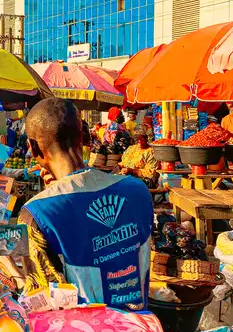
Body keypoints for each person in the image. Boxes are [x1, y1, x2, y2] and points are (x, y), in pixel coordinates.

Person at [18, 98, 154, 311]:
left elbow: (41, 302)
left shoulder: (35, 214)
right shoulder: (137, 191)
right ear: (83, 136)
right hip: (137, 330)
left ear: (33, 147)